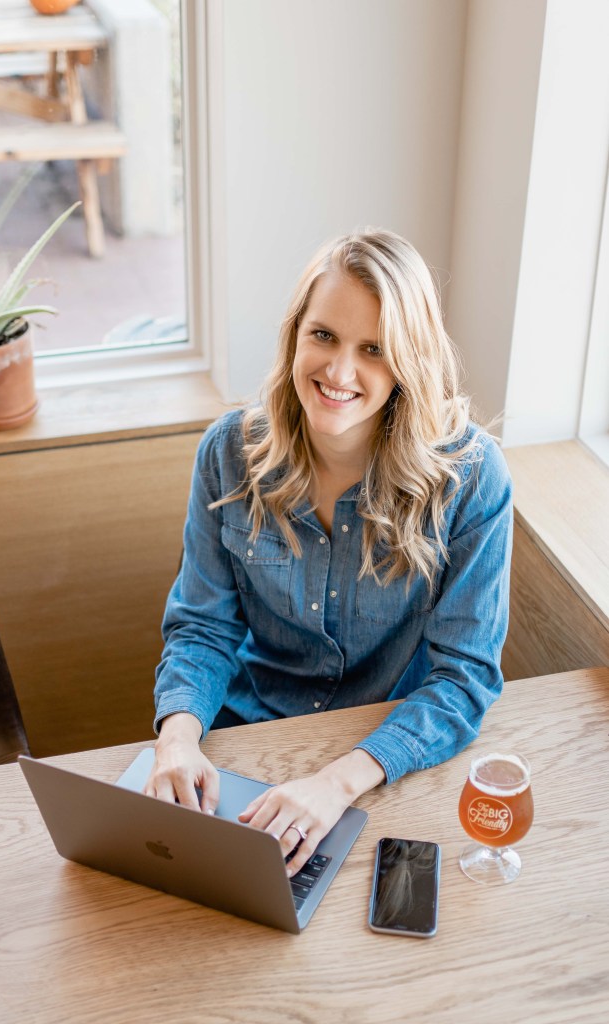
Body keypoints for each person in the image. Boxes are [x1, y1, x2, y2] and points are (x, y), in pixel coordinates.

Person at [145, 228, 513, 880]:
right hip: (244, 744)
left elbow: (464, 679)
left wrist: (337, 783)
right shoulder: (228, 453)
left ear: (409, 362)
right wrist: (176, 739)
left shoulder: (472, 477)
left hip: (384, 759)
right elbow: (202, 629)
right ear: (295, 335)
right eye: (324, 335)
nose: (339, 373)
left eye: (374, 349)